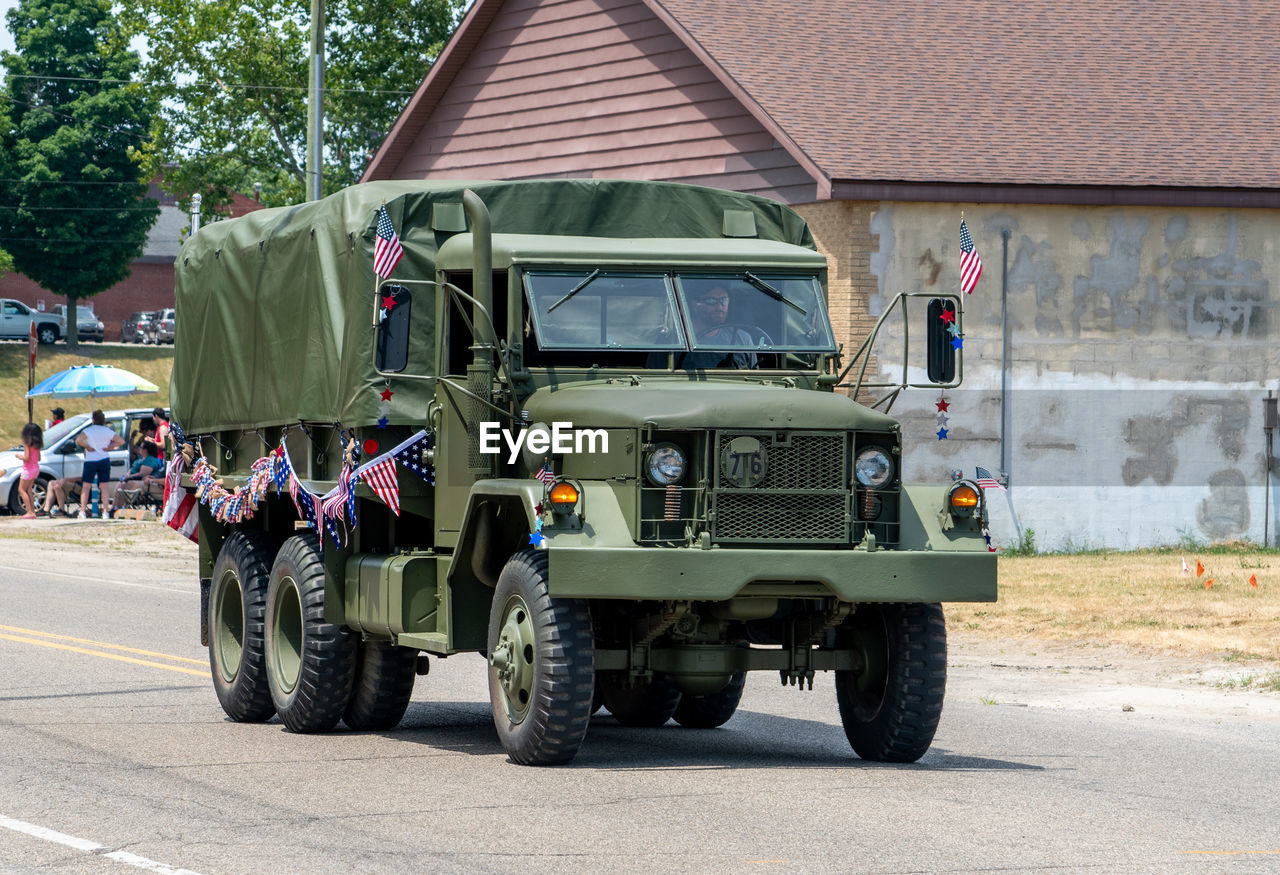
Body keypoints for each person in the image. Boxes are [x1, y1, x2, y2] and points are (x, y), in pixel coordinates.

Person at [679, 285, 758, 369]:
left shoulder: (742, 339)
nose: (719, 307)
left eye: (724, 301)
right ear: (694, 304)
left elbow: (754, 377)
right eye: (711, 301)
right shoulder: (679, 340)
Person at [76, 410, 124, 518]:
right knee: (104, 486)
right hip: (104, 458)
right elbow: (121, 441)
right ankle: (105, 512)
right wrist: (109, 447)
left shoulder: (88, 430)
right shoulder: (107, 431)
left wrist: (87, 447)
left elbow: (78, 440)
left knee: (86, 486)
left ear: (93, 420)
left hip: (90, 459)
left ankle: (83, 511)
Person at [110, 439, 164, 513]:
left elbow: (142, 474)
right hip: (135, 480)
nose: (139, 449)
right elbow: (132, 469)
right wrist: (127, 475)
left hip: (144, 482)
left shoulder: (150, 460)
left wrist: (129, 477)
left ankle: (119, 508)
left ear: (146, 450)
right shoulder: (140, 458)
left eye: (141, 447)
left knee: (125, 485)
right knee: (120, 484)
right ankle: (115, 507)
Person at [17, 423, 42, 519]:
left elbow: (27, 458)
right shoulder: (37, 445)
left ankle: (29, 512)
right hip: (36, 468)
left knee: (21, 489)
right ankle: (32, 511)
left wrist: (19, 456)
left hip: (28, 470)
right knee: (29, 490)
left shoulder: (27, 444)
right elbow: (39, 458)